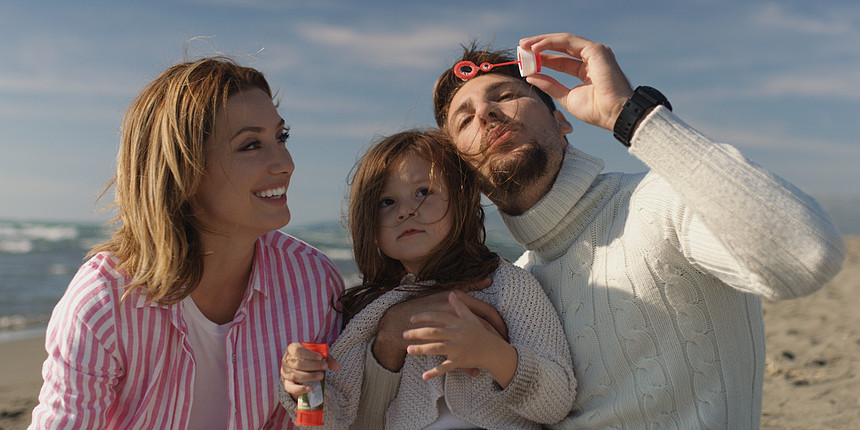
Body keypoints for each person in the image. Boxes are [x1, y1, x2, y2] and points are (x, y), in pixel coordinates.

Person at [353, 33, 847, 428]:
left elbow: (806, 257)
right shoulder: (509, 285)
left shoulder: (660, 202)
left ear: (562, 120)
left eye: (506, 95)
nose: (486, 113)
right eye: (465, 118)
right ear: (461, 172)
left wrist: (628, 114)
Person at [29, 57, 344, 429]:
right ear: (183, 170)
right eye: (250, 145)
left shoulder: (311, 281)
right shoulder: (104, 303)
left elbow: (322, 417)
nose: (285, 162)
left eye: (281, 137)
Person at [278, 129, 576, 428]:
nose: (406, 210)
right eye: (386, 202)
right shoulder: (370, 312)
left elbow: (557, 402)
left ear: (461, 200)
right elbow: (333, 420)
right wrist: (303, 383)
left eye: (424, 192)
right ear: (371, 228)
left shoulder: (509, 287)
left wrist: (494, 355)